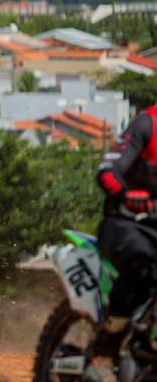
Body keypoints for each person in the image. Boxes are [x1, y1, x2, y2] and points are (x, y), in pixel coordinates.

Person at [83, 106, 157, 382]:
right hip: (127, 223)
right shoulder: (148, 123)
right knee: (144, 266)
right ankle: (104, 352)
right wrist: (127, 194)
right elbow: (108, 170)